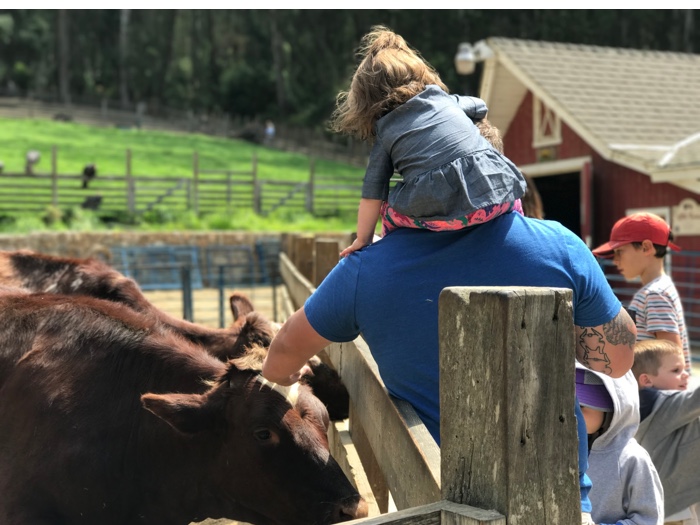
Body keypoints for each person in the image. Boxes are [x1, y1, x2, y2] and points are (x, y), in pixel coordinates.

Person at [331, 26, 527, 257]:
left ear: (366, 101)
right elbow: (480, 106)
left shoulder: (385, 130)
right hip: (497, 199)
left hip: (439, 217)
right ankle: (518, 225)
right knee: (512, 199)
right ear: (420, 75)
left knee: (388, 209)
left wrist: (362, 240)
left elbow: (372, 193)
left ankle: (390, 248)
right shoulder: (442, 98)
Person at [592, 212, 690, 374]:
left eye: (619, 252)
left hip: (657, 393)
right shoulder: (660, 289)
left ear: (646, 247)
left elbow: (673, 357)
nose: (615, 261)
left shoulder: (654, 294)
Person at [576, 362, 664, 525]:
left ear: (614, 409)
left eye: (581, 407)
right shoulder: (558, 451)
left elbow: (649, 519)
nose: (573, 416)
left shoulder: (632, 458)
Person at [633, 340, 700, 525]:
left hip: (665, 503)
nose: (686, 375)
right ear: (646, 380)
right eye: (676, 371)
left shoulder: (642, 404)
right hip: (677, 509)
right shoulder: (666, 405)